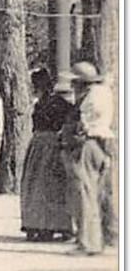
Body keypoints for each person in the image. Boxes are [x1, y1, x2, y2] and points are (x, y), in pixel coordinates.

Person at [63, 61, 116, 256]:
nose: (71, 87)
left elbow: (81, 125)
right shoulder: (103, 93)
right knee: (95, 194)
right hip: (101, 144)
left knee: (84, 195)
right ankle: (98, 239)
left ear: (80, 82)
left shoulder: (87, 99)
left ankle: (87, 243)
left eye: (74, 83)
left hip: (87, 144)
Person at [20, 66, 75, 241]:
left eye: (34, 85)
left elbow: (71, 116)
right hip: (42, 145)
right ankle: (43, 225)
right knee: (42, 186)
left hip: (47, 146)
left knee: (46, 186)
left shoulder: (55, 102)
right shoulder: (45, 102)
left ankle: (47, 225)